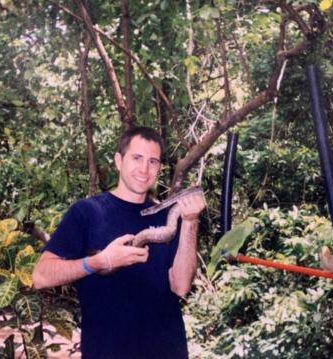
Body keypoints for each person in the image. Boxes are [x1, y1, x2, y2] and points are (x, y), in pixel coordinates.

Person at [32, 126, 206, 359]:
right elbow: (41, 276)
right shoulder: (86, 213)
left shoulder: (165, 216)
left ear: (159, 168)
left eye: (153, 161)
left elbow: (181, 286)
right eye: (137, 158)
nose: (144, 169)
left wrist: (191, 221)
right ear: (118, 160)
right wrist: (101, 261)